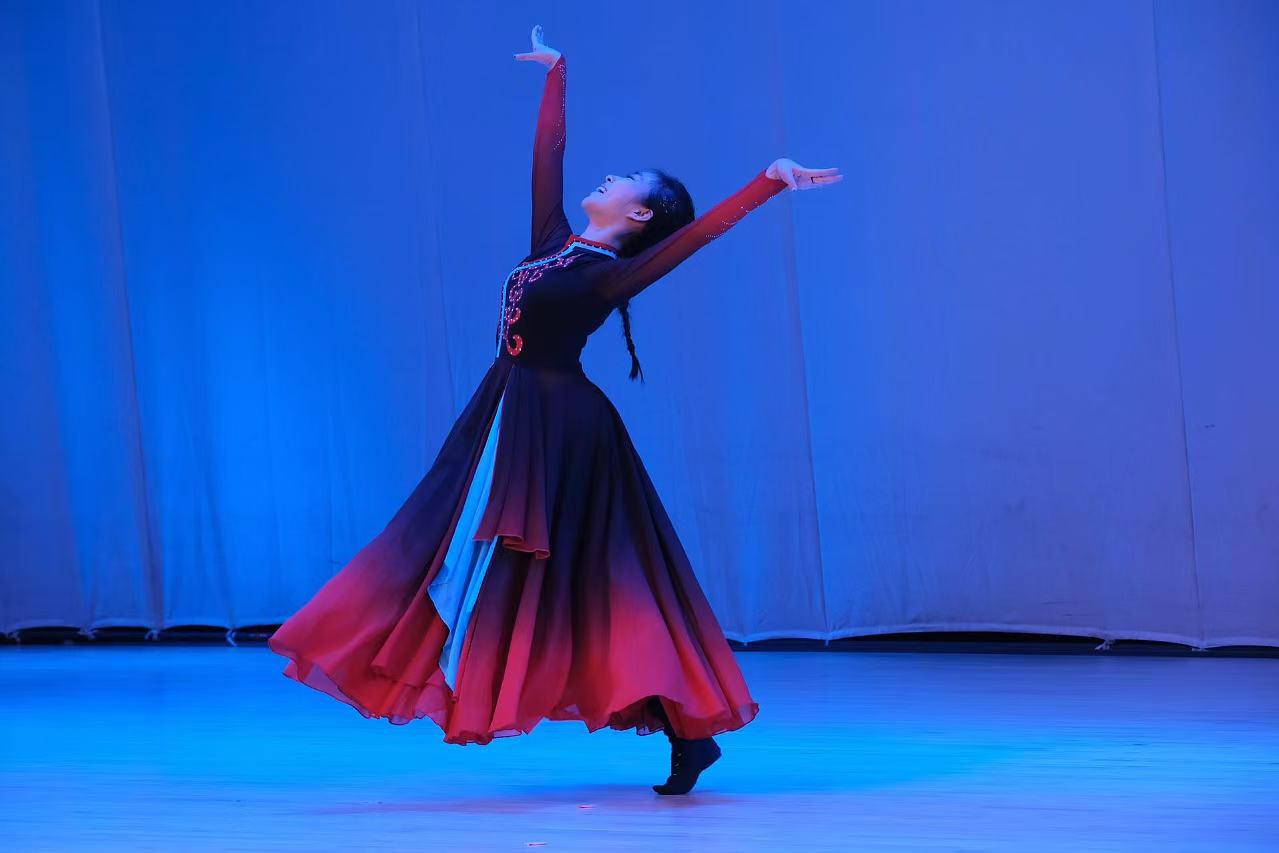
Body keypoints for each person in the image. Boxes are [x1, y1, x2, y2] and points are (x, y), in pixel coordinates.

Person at [268, 24, 841, 796]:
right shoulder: (553, 243)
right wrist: (555, 75)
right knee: (457, 550)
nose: (610, 177)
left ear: (640, 215)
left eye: (627, 180)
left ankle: (684, 726)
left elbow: (697, 237)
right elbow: (547, 158)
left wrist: (768, 180)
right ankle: (667, 727)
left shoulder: (609, 274)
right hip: (507, 413)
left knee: (600, 578)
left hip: (564, 430)